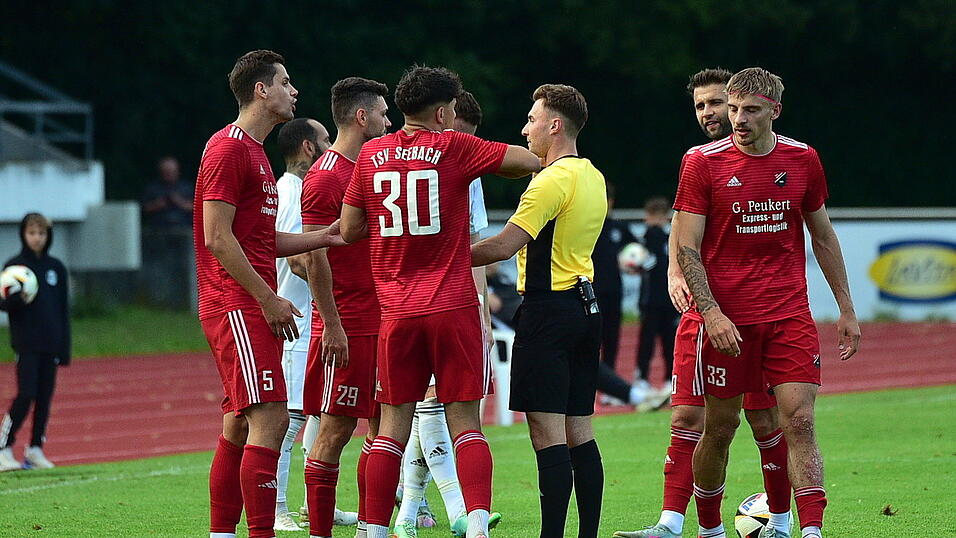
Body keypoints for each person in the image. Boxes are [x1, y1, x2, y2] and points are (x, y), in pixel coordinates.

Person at [339, 65, 541, 538]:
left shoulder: (370, 154)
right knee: (465, 423)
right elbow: (526, 161)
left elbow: (349, 230)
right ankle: (476, 525)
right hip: (451, 305)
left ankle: (373, 528)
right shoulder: (454, 146)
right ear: (442, 110)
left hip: (396, 309)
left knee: (391, 427)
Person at [675, 67, 860, 538]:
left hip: (788, 314)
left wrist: (846, 307)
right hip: (727, 321)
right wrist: (711, 311)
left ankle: (810, 530)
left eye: (751, 110)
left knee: (798, 418)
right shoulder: (701, 162)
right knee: (719, 428)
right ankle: (710, 529)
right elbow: (687, 246)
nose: (738, 119)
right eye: (733, 108)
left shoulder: (803, 159)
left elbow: (822, 234)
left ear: (774, 110)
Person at [615, 67, 799, 538]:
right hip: (705, 314)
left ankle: (781, 521)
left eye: (717, 103)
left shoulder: (768, 158)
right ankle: (672, 522)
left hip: (755, 314)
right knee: (687, 416)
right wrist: (679, 274)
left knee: (763, 420)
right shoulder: (697, 162)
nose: (710, 113)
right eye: (701, 106)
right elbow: (686, 230)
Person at [194, 49, 345, 538]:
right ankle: (262, 530)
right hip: (235, 303)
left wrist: (324, 236)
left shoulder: (255, 153)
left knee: (240, 422)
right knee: (273, 418)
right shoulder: (228, 149)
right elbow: (218, 237)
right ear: (262, 90)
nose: (293, 90)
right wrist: (267, 298)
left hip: (246, 302)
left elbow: (261, 239)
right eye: (286, 82)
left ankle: (222, 533)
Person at [471, 84, 605, 538]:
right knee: (580, 432)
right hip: (586, 309)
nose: (525, 128)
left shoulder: (548, 180)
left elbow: (503, 246)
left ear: (554, 125)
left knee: (546, 436)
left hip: (547, 312)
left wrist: (434, 254)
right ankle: (587, 533)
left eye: (531, 119)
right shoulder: (592, 175)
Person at [392, 90, 503, 538]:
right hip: (439, 304)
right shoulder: (442, 160)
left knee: (422, 412)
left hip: (404, 303)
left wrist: (485, 318)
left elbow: (474, 249)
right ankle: (456, 510)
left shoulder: (386, 157)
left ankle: (409, 512)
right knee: (432, 412)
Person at [299, 76, 390, 538]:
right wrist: (331, 326)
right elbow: (310, 258)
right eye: (382, 112)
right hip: (347, 325)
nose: (388, 120)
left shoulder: (373, 170)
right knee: (335, 433)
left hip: (384, 320)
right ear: (362, 116)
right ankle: (320, 531)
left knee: (385, 432)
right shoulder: (325, 178)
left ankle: (371, 528)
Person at [271, 117, 333, 531]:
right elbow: (298, 257)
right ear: (309, 148)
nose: (330, 148)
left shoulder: (285, 188)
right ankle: (278, 509)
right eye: (325, 141)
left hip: (305, 319)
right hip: (297, 320)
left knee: (313, 415)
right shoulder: (294, 191)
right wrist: (336, 293)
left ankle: (312, 505)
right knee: (289, 420)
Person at [0, 213, 70, 471]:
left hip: (50, 344)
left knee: (44, 398)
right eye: (32, 233)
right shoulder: (14, 268)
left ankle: (35, 448)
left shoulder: (56, 268)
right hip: (26, 343)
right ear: (23, 234)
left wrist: (64, 348)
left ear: (47, 236)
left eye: (41, 233)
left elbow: (62, 310)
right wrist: (17, 299)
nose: (37, 238)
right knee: (26, 394)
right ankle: (3, 447)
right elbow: (3, 303)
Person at [591, 182, 638, 372]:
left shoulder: (620, 228)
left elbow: (638, 252)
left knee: (612, 335)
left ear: (611, 202)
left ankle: (610, 375)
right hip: (591, 291)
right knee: (592, 337)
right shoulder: (588, 226)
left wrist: (634, 265)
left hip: (614, 289)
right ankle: (590, 378)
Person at [634, 196, 678, 396]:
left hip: (667, 299)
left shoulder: (671, 236)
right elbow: (643, 263)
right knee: (648, 341)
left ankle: (669, 378)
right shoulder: (650, 236)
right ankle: (642, 378)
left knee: (669, 341)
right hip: (651, 300)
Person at [141, 156, 195, 308]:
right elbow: (145, 209)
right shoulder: (153, 189)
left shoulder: (186, 188)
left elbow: (196, 207)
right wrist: (160, 204)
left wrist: (179, 202)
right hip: (159, 235)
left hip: (183, 236)